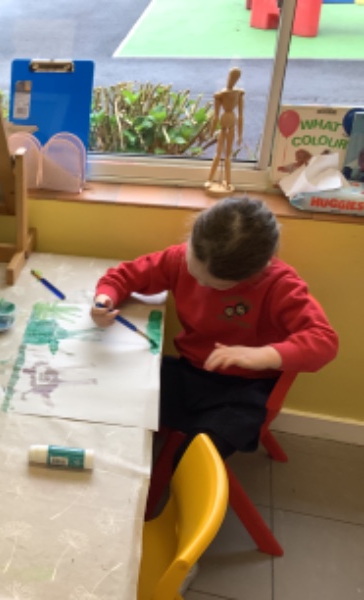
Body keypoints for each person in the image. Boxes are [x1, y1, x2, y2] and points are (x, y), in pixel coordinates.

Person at [91, 196, 338, 467]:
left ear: (257, 272)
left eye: (215, 285)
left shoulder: (279, 285)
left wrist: (261, 355)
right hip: (191, 372)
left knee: (191, 460)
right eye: (194, 273)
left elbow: (324, 342)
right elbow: (125, 275)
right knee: (117, 397)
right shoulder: (181, 257)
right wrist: (105, 299)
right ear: (192, 242)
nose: (199, 283)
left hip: (246, 391)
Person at [205, 67, 244, 196]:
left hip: (231, 122)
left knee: (227, 155)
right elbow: (215, 116)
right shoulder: (220, 95)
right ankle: (210, 179)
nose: (232, 80)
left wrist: (240, 134)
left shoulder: (239, 94)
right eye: (232, 77)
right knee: (218, 153)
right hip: (224, 123)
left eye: (235, 78)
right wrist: (211, 131)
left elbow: (241, 115)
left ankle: (227, 181)